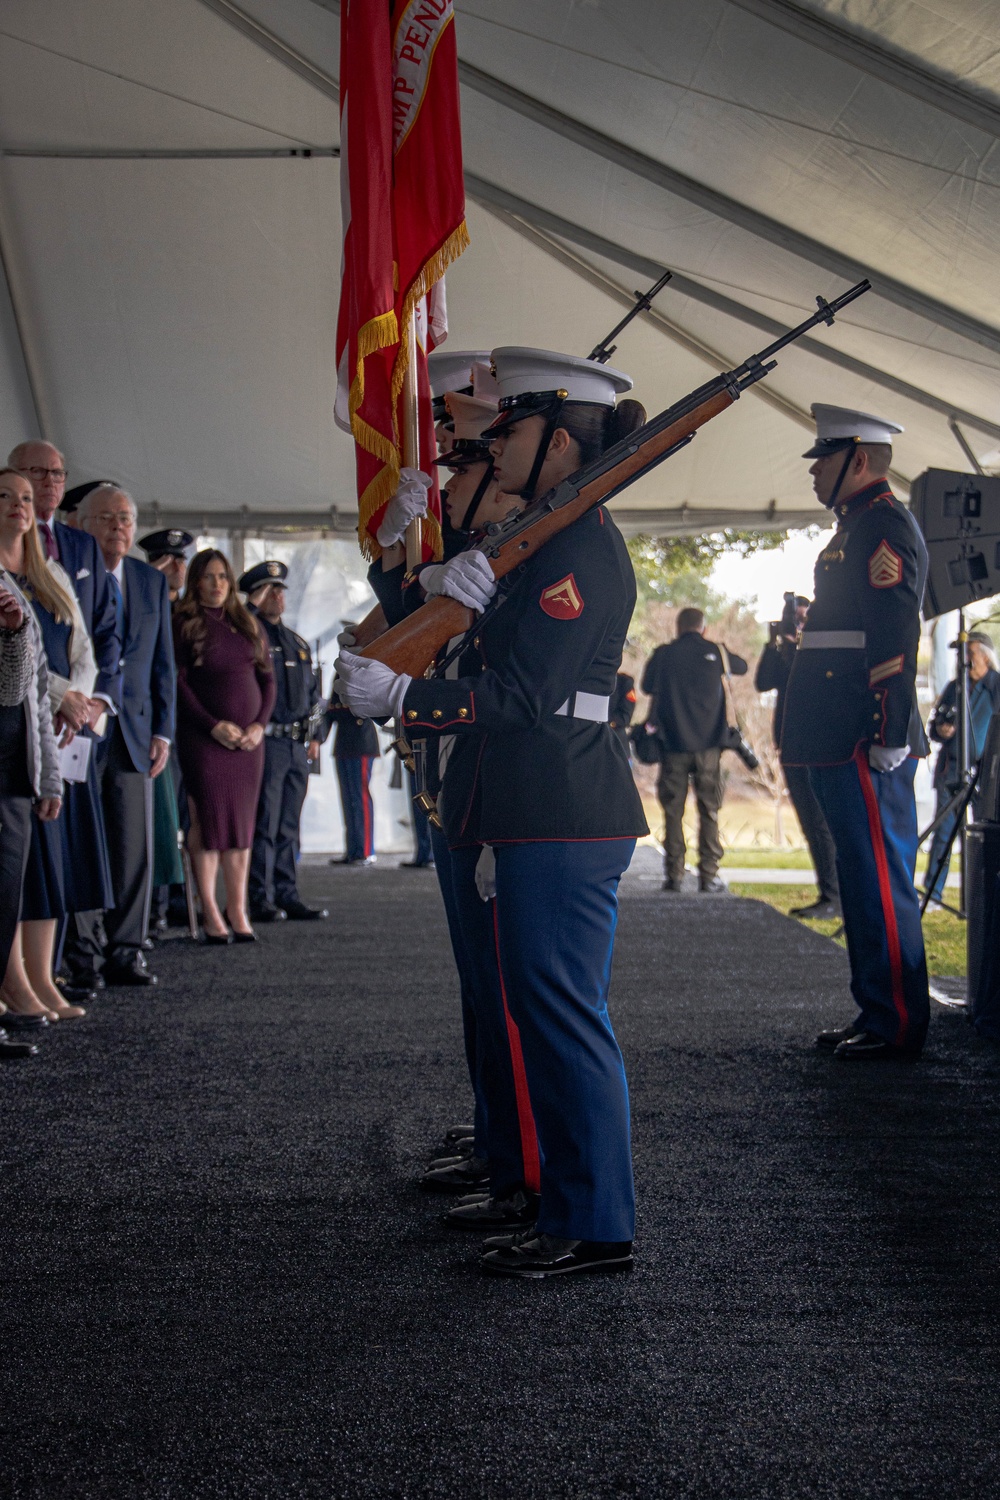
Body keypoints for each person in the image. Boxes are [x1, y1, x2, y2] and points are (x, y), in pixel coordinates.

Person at [336, 346, 649, 1279]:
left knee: (560, 1015)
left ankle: (593, 1222)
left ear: (559, 442)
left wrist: (406, 704)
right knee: (538, 1009)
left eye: (508, 427)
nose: (493, 443)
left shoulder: (579, 549)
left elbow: (528, 692)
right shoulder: (544, 536)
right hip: (529, 798)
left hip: (562, 801)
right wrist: (427, 587)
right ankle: (564, 1203)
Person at [781, 405, 930, 1061]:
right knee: (859, 875)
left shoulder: (884, 525)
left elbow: (896, 635)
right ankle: (876, 1009)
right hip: (837, 731)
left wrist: (889, 727)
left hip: (862, 735)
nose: (814, 473)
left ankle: (896, 1020)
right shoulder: (855, 529)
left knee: (878, 877)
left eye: (825, 460)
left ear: (859, 460)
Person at [77, 484, 175, 986]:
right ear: (83, 523)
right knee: (84, 838)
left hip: (137, 729)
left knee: (133, 846)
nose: (119, 526)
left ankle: (127, 950)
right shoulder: (72, 572)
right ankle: (83, 955)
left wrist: (164, 729)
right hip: (79, 724)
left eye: (126, 518)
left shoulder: (148, 580)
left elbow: (163, 663)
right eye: (107, 517)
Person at [173, 550, 275, 942]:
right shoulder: (182, 623)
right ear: (195, 581)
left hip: (249, 744)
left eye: (222, 576)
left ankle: (237, 907)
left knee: (241, 827)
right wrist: (213, 726)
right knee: (210, 823)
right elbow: (179, 684)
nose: (217, 584)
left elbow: (268, 680)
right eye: (208, 576)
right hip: (204, 739)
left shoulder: (247, 622)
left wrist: (259, 726)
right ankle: (211, 910)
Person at [241, 560, 327, 922]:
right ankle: (260, 896)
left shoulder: (297, 643)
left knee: (289, 824)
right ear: (255, 596)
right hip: (268, 742)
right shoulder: (248, 636)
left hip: (296, 745)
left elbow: (315, 695)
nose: (278, 596)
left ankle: (287, 892)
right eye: (269, 590)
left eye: (280, 590)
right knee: (265, 822)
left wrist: (316, 736)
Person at [641, 608, 748, 893]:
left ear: (677, 628)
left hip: (673, 746)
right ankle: (708, 876)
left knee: (673, 812)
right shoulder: (717, 652)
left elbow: (646, 686)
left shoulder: (664, 654)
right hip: (710, 748)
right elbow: (742, 667)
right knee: (710, 810)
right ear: (704, 629)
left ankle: (674, 875)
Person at [0, 563, 59, 1058]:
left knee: (4, 898)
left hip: (12, 767)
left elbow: (22, 688)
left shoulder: (8, 582)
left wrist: (16, 631)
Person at [755, 594, 841, 918]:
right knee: (810, 823)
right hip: (790, 743)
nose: (799, 624)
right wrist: (774, 643)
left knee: (822, 823)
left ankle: (835, 896)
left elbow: (809, 681)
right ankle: (829, 893)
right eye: (795, 619)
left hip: (818, 743)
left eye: (803, 618)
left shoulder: (820, 650)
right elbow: (763, 683)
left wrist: (796, 643)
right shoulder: (782, 651)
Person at [139, 530, 193, 935]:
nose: (179, 568)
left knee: (180, 820)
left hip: (188, 732)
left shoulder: (187, 613)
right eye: (169, 560)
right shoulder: (144, 601)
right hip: (156, 728)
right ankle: (153, 910)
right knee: (156, 819)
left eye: (181, 560)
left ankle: (174, 903)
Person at [924, 630, 1000, 902]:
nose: (966, 659)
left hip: (986, 774)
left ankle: (984, 895)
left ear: (985, 657)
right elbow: (933, 728)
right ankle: (933, 894)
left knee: (985, 834)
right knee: (943, 833)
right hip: (952, 768)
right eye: (963, 654)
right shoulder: (954, 687)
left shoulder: (996, 686)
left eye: (971, 653)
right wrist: (941, 731)